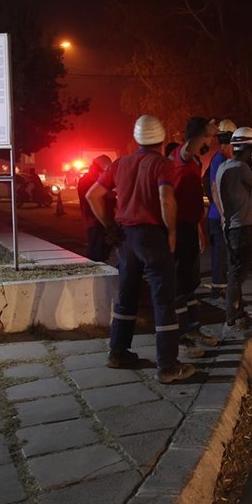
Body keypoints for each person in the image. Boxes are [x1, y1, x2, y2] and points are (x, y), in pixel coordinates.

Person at [86, 114, 196, 384]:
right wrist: (171, 233)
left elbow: (93, 195)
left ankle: (118, 352)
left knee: (127, 294)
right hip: (151, 236)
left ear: (136, 139)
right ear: (161, 138)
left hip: (125, 237)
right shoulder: (162, 164)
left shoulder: (120, 163)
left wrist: (110, 226)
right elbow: (165, 198)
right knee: (163, 299)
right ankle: (168, 366)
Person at [212, 125, 252, 335]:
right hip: (240, 229)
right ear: (249, 149)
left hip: (229, 226)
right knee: (236, 275)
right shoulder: (241, 168)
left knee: (235, 273)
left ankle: (239, 315)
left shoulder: (224, 166)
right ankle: (232, 319)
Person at [170, 116, 220, 350]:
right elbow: (189, 148)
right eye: (207, 136)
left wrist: (201, 232)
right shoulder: (181, 156)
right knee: (179, 283)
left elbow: (195, 201)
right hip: (176, 228)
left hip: (190, 227)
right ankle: (180, 333)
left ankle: (192, 327)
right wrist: (203, 131)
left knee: (191, 282)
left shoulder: (197, 163)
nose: (209, 141)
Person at [204, 118, 236, 300]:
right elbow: (216, 188)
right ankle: (219, 290)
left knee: (222, 254)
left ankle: (221, 288)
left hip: (217, 215)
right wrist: (225, 215)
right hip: (219, 217)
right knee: (221, 255)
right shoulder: (220, 159)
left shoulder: (221, 158)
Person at [77, 155, 114, 262]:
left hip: (101, 219)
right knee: (97, 251)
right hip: (94, 220)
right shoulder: (87, 180)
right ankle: (94, 272)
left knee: (103, 249)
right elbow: (95, 197)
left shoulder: (94, 179)